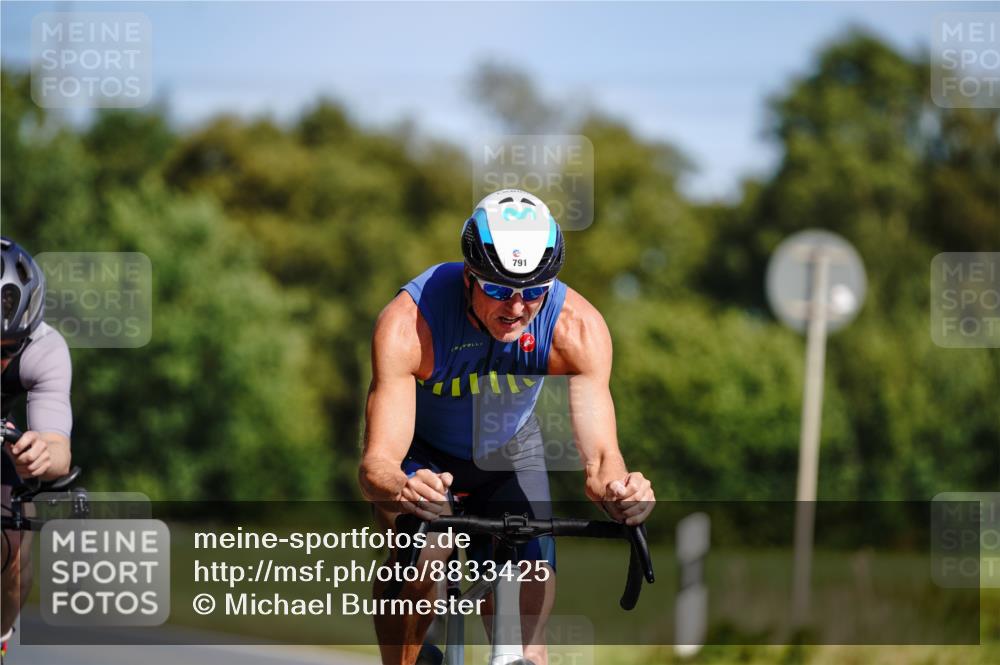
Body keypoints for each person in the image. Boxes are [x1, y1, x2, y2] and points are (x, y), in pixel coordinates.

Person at [359, 190, 655, 665]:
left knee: (529, 635)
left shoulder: (577, 328)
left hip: (509, 455)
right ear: (469, 277)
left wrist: (623, 493)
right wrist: (407, 488)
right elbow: (377, 466)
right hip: (423, 457)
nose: (516, 307)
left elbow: (601, 463)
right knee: (426, 556)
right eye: (498, 289)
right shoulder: (411, 324)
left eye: (534, 291)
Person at [0, 238, 73, 657]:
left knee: (13, 533)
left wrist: (40, 455)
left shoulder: (45, 348)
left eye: (6, 350)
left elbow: (58, 449)